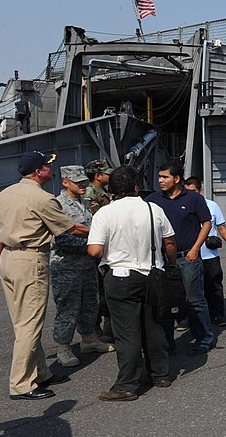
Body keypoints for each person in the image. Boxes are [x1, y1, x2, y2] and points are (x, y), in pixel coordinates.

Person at [0, 151, 90, 400]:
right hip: (30, 259)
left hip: (7, 259)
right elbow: (72, 228)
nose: (51, 169)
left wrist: (6, 260)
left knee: (21, 322)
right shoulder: (43, 198)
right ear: (38, 172)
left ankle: (41, 373)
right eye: (48, 166)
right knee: (30, 324)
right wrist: (102, 230)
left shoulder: (4, 194)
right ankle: (21, 384)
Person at [88, 166, 178, 401]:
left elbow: (95, 250)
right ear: (136, 187)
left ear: (112, 189)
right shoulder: (153, 208)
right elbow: (169, 242)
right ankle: (160, 374)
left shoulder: (104, 213)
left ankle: (126, 385)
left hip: (120, 277)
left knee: (126, 333)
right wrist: (170, 264)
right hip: (152, 274)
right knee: (154, 326)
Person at [146, 162, 215, 355]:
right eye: (159, 177)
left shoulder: (193, 198)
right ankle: (168, 344)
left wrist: (195, 249)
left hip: (188, 258)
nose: (160, 180)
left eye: (165, 177)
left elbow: (207, 223)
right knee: (166, 302)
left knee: (194, 300)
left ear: (176, 179)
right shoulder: (153, 199)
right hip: (163, 260)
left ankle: (204, 339)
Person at [50, 165, 115, 369]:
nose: (82, 184)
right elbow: (60, 238)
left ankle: (89, 339)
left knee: (90, 303)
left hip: (87, 264)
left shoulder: (82, 203)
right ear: (65, 182)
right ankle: (63, 347)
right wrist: (92, 246)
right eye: (77, 181)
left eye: (83, 180)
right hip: (65, 265)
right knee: (68, 307)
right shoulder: (58, 204)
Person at [184, 177, 226, 325]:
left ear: (200, 191)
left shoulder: (212, 206)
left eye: (194, 191)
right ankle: (188, 319)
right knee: (189, 289)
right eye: (188, 192)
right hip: (190, 255)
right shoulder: (183, 206)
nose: (191, 195)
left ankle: (218, 315)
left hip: (210, 255)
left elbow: (221, 227)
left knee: (214, 285)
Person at [84, 159, 115, 343]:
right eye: (106, 173)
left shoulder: (105, 192)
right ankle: (95, 330)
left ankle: (109, 326)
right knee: (96, 292)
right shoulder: (90, 194)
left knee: (106, 290)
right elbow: (94, 222)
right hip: (96, 249)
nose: (109, 175)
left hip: (106, 249)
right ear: (98, 176)